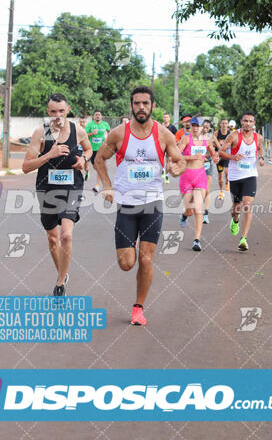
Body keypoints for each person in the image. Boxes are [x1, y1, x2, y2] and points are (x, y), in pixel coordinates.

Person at [94, 86, 186, 326]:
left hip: (152, 203)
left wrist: (178, 168)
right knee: (127, 263)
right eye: (137, 103)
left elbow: (180, 160)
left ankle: (138, 307)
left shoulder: (164, 134)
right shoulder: (118, 134)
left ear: (153, 106)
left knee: (146, 259)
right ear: (131, 106)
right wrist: (106, 184)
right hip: (126, 204)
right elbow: (99, 158)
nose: (141, 107)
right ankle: (130, 246)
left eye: (146, 103)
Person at [22, 93, 92, 295]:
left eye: (61, 111)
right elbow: (26, 167)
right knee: (53, 239)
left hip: (72, 187)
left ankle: (60, 283)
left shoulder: (77, 130)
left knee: (66, 236)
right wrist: (49, 155)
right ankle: (63, 272)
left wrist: (84, 161)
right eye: (53, 111)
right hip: (47, 189)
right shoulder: (40, 133)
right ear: (48, 112)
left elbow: (88, 150)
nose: (57, 115)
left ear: (67, 110)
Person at [219, 111, 265, 252]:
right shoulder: (234, 136)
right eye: (245, 121)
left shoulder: (258, 137)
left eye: (251, 121)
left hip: (250, 175)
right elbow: (221, 151)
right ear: (241, 122)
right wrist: (233, 157)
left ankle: (243, 239)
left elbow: (260, 150)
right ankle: (235, 220)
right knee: (236, 208)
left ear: (254, 123)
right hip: (235, 176)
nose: (248, 123)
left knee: (247, 204)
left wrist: (261, 158)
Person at [178, 117, 219, 251]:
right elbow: (176, 154)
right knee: (190, 210)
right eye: (193, 125)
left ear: (203, 127)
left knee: (198, 207)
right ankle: (184, 214)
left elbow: (213, 154)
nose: (196, 128)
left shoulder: (206, 140)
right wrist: (191, 157)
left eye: (198, 126)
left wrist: (216, 157)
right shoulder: (186, 139)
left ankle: (197, 240)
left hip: (200, 177)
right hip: (186, 177)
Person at [85, 111, 111, 193]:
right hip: (92, 149)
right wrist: (92, 133)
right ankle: (89, 171)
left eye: (99, 115)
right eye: (96, 115)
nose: (98, 116)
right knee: (96, 167)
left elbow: (110, 131)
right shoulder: (90, 125)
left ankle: (97, 186)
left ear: (101, 116)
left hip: (102, 149)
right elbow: (84, 135)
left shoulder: (105, 124)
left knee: (99, 167)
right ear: (93, 116)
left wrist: (107, 140)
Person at [200, 119, 214, 224]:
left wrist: (206, 156)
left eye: (207, 127)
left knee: (207, 190)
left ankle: (205, 214)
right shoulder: (195, 137)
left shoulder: (210, 137)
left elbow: (214, 151)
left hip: (208, 164)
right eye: (203, 127)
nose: (205, 129)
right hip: (196, 165)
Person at [213, 119, 231, 200]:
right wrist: (217, 144)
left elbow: (234, 144)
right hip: (219, 157)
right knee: (220, 175)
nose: (224, 125)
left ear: (227, 125)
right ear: (220, 124)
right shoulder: (216, 133)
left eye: (226, 123)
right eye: (223, 123)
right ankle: (221, 191)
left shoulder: (230, 133)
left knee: (227, 173)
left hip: (227, 156)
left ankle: (227, 182)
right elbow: (211, 143)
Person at [162, 113, 177, 183]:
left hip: (169, 146)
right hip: (161, 145)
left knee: (169, 161)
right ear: (163, 118)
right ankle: (162, 169)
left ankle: (166, 175)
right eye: (164, 117)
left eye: (167, 117)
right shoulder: (160, 127)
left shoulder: (172, 127)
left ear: (169, 118)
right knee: (161, 159)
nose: (165, 119)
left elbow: (176, 137)